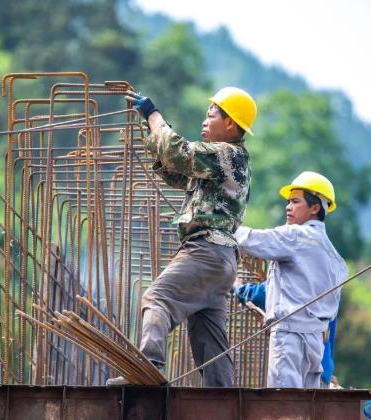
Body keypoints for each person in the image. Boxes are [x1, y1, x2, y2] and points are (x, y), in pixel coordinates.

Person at [107, 87, 258, 386]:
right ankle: (223, 403)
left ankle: (147, 368)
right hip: (221, 260)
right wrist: (150, 128)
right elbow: (176, 169)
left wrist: (154, 115)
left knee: (157, 298)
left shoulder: (227, 154)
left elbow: (179, 154)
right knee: (209, 338)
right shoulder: (224, 162)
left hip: (206, 251)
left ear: (230, 124)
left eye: (211, 114)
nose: (205, 120)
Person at [233, 171, 347, 388]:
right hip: (316, 344)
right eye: (288, 201)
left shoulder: (295, 236)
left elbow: (252, 240)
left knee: (283, 403)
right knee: (305, 406)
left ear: (315, 208)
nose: (288, 207)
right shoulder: (336, 259)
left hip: (289, 338)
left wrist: (218, 227)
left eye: (295, 201)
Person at [235, 281, 338, 388]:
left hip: (292, 359)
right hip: (322, 367)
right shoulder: (330, 275)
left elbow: (262, 295)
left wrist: (237, 287)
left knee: (286, 401)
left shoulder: (296, 273)